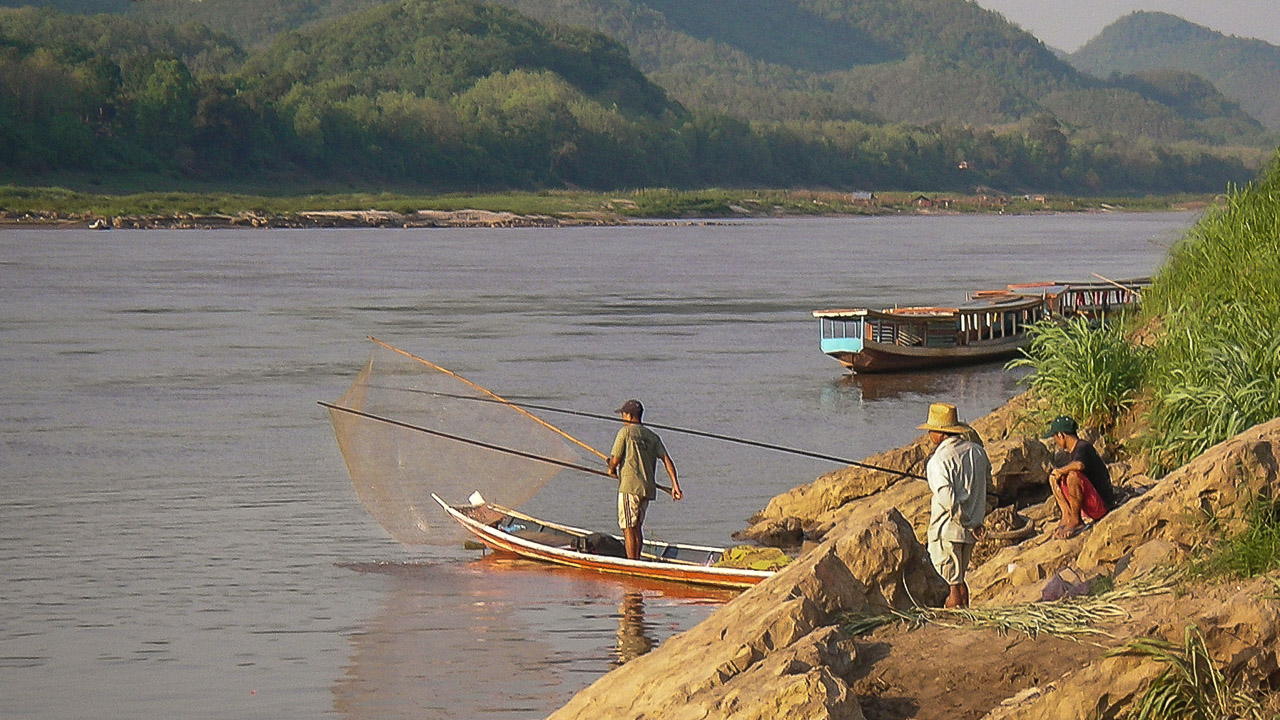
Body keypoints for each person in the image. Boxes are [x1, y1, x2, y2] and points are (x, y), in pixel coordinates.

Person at [919, 402, 990, 608]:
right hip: (971, 532)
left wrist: (966, 521)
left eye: (931, 430)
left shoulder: (939, 461)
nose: (929, 434)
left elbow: (947, 499)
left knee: (950, 584)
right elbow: (987, 484)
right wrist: (975, 522)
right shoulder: (978, 452)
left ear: (940, 433)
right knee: (959, 580)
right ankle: (965, 617)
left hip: (947, 531)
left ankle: (954, 625)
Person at [606, 399, 682, 560]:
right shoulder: (652, 436)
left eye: (623, 414)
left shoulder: (624, 433)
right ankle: (637, 560)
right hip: (647, 489)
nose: (622, 418)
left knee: (628, 527)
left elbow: (616, 459)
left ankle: (632, 563)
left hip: (629, 487)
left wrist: (611, 468)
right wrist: (675, 485)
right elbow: (667, 460)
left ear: (630, 415)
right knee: (636, 527)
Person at [1043, 415, 1115, 539]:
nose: (1055, 441)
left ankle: (1076, 521)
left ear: (1061, 435)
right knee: (1054, 477)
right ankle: (1067, 516)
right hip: (1091, 502)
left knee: (1072, 476)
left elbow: (1079, 465)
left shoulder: (1083, 447)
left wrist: (1060, 471)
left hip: (1101, 504)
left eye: (1055, 437)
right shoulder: (1074, 450)